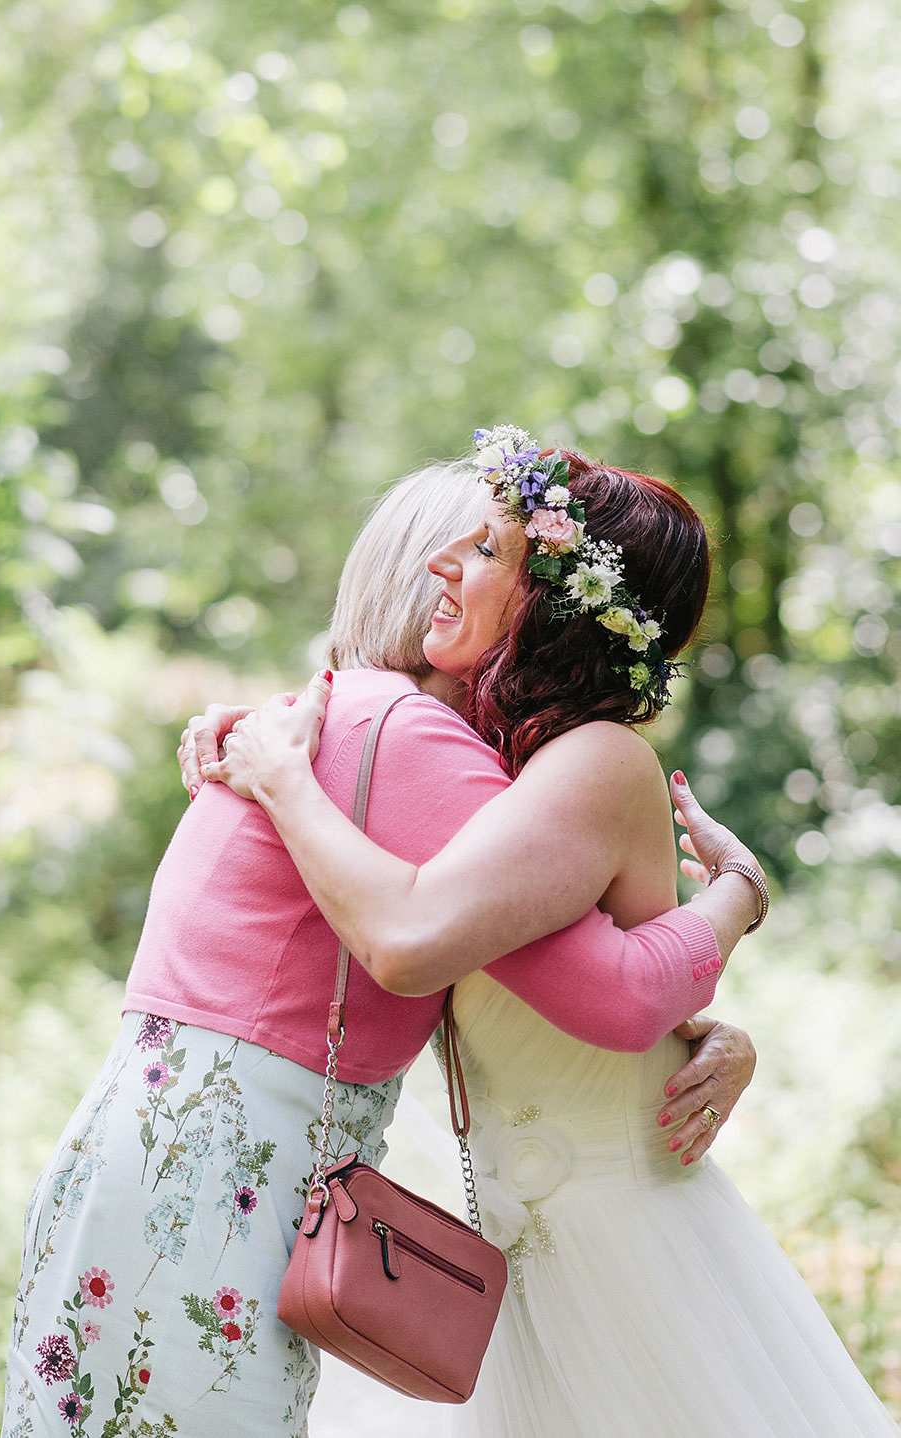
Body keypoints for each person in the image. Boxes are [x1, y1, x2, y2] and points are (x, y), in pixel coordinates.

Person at [2, 447, 759, 1438]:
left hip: (162, 1158)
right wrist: (740, 893)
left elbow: (559, 960)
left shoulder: (351, 726)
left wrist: (715, 1033)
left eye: (487, 548)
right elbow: (605, 987)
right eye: (454, 545)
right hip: (220, 1177)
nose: (453, 565)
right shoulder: (406, 736)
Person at [206, 425, 899, 1436]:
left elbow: (460, 950)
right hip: (523, 1253)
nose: (449, 562)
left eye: (489, 551)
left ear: (561, 602)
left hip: (622, 1250)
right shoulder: (510, 769)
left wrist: (742, 888)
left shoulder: (599, 758)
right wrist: (242, 721)